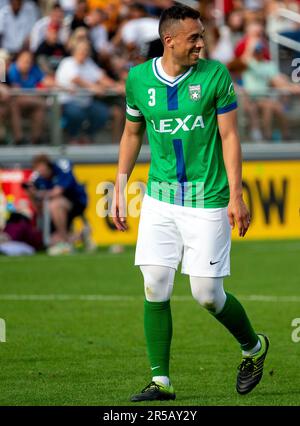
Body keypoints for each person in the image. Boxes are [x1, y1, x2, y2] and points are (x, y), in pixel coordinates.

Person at [112, 4, 269, 402]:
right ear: (170, 41)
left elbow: (230, 137)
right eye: (194, 37)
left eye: (202, 35)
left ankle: (253, 347)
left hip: (208, 197)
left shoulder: (215, 75)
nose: (201, 43)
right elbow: (132, 134)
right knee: (155, 283)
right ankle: (160, 381)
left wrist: (237, 194)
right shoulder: (138, 79)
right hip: (160, 198)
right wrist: (119, 183)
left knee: (206, 295)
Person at [26, 154, 87, 254]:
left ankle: (65, 239)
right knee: (52, 242)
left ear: (48, 166)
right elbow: (39, 210)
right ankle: (79, 236)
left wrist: (38, 194)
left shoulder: (61, 170)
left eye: (42, 168)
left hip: (76, 203)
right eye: (38, 170)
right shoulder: (38, 180)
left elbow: (57, 192)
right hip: (54, 214)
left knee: (55, 204)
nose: (41, 172)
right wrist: (31, 195)